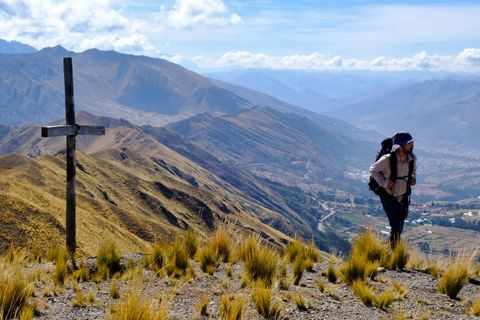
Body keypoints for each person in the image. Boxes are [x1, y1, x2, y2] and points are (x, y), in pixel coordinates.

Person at [369, 132, 417, 248]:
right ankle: (392, 255)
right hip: (388, 195)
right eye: (409, 143)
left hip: (403, 196)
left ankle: (386, 250)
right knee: (396, 226)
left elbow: (413, 171)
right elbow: (373, 169)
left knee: (399, 226)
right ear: (400, 146)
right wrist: (384, 183)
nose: (412, 145)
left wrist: (413, 179)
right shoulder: (388, 159)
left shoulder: (412, 158)